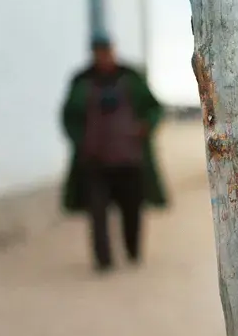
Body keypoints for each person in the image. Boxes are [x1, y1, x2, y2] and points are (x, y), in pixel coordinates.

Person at [60, 35, 167, 272]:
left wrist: (145, 127)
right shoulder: (82, 82)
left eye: (107, 51)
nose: (104, 56)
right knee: (97, 214)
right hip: (95, 162)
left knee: (132, 211)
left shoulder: (131, 79)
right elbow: (69, 117)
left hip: (129, 161)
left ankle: (132, 251)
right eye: (99, 52)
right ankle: (103, 261)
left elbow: (154, 109)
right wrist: (82, 141)